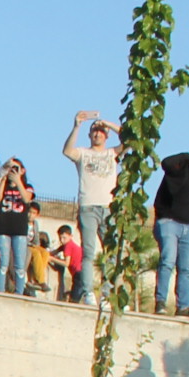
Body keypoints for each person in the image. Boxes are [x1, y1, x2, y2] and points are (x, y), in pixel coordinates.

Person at [62, 112, 119, 301]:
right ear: (90, 135)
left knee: (112, 252)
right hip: (88, 207)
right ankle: (88, 293)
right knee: (89, 252)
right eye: (94, 131)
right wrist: (77, 125)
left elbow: (130, 140)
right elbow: (67, 151)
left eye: (101, 131)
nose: (97, 134)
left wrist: (108, 124)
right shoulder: (83, 154)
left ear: (106, 135)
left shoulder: (112, 153)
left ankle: (108, 293)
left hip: (108, 208)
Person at [152, 145, 189, 316]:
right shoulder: (180, 168)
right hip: (169, 221)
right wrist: (187, 156)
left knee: (186, 268)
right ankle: (161, 302)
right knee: (167, 261)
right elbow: (166, 163)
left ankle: (183, 306)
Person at [0, 159, 36, 294]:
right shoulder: (3, 186)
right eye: (11, 168)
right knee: (3, 264)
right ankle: (0, 290)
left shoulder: (27, 186)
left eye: (16, 168)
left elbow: (27, 198)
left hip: (20, 230)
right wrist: (4, 180)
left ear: (22, 171)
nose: (13, 171)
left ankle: (19, 291)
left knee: (19, 265)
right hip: (3, 228)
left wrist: (18, 181)